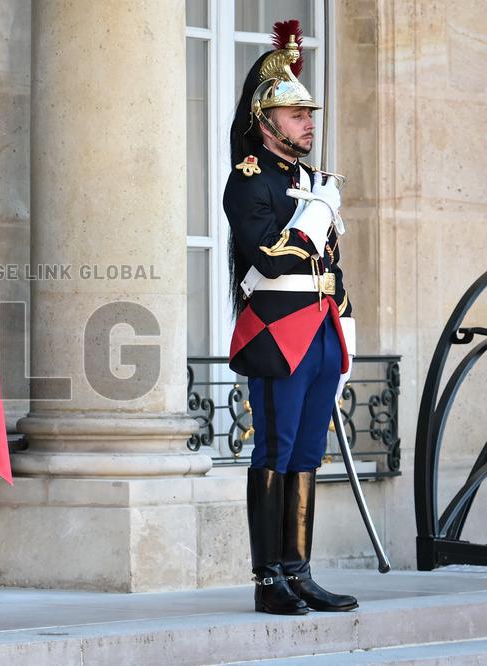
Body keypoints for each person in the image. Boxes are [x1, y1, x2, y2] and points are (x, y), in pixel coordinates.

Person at [224, 21, 358, 616]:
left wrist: (344, 328)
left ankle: (299, 571)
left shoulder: (310, 182)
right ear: (267, 122)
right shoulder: (248, 182)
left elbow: (331, 267)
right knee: (274, 451)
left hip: (322, 329)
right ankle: (267, 578)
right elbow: (266, 256)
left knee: (308, 452)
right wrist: (311, 220)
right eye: (296, 114)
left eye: (310, 114)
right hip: (280, 333)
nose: (309, 122)